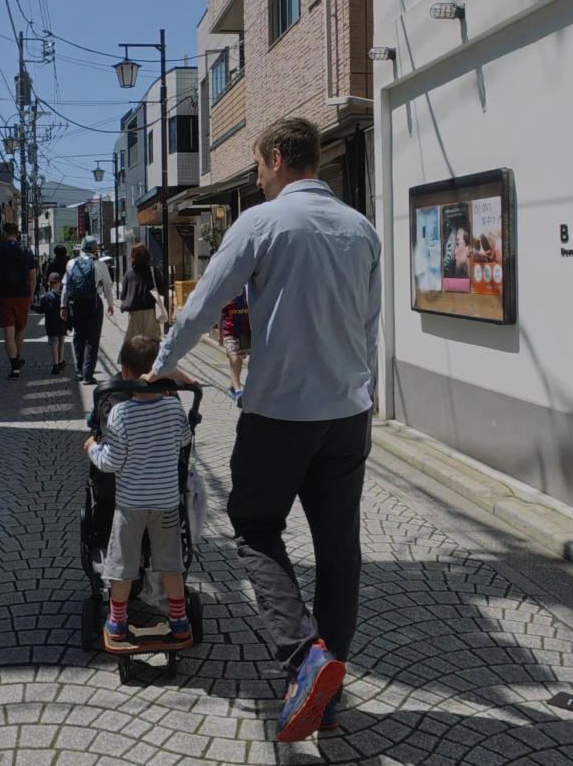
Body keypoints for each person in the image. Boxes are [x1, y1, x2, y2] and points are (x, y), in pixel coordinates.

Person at [151, 117, 381, 742]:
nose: (256, 179)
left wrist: (161, 365)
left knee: (254, 527)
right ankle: (326, 696)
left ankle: (305, 656)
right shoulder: (362, 229)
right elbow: (369, 328)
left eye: (257, 167)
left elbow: (202, 303)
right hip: (347, 414)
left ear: (279, 158)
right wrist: (371, 400)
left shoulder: (263, 222)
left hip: (281, 413)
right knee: (339, 551)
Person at [83, 335, 194, 652]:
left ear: (125, 373)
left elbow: (111, 463)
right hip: (167, 504)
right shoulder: (173, 408)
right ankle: (179, 619)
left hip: (130, 505)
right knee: (171, 561)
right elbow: (183, 439)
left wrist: (92, 448)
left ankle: (117, 621)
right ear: (159, 371)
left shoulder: (120, 415)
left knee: (122, 563)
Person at [60, 235, 115, 385]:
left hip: (75, 304)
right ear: (96, 249)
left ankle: (79, 370)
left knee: (78, 337)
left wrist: (63, 306)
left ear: (81, 248)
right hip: (94, 304)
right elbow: (108, 287)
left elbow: (65, 286)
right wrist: (111, 304)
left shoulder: (71, 263)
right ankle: (88, 374)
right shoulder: (100, 265)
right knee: (92, 339)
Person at [0, 222, 38, 379]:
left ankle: (14, 366)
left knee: (8, 331)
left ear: (4, 234)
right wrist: (30, 296)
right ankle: (17, 359)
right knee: (20, 330)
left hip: (3, 296)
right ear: (17, 234)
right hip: (22, 296)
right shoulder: (26, 251)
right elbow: (33, 278)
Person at [117, 243, 162, 344]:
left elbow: (123, 296)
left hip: (134, 313)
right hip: (151, 312)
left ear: (132, 257)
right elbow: (162, 291)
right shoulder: (154, 271)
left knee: (134, 343)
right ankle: (153, 360)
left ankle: (130, 359)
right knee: (152, 342)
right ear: (148, 256)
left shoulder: (129, 275)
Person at [35, 272, 70, 374]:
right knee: (61, 343)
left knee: (53, 344)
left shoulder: (46, 297)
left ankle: (55, 364)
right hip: (62, 324)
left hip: (51, 325)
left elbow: (41, 310)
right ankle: (60, 361)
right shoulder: (64, 297)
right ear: (60, 283)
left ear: (49, 284)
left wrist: (32, 307)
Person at [220, 291, 251, 402]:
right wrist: (220, 335)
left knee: (239, 361)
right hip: (229, 333)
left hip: (244, 335)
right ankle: (238, 391)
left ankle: (233, 386)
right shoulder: (228, 295)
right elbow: (221, 315)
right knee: (234, 359)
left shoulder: (248, 295)